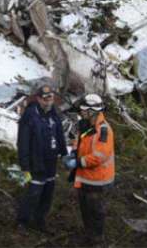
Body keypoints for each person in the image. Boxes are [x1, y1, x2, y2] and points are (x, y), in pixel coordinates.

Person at [64, 94, 115, 245]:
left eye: (84, 110)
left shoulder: (103, 131)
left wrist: (77, 162)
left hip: (98, 182)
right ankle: (89, 236)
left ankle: (97, 240)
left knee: (96, 213)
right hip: (85, 179)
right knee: (85, 211)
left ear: (93, 111)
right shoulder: (85, 125)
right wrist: (73, 153)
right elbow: (78, 141)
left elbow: (99, 156)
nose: (81, 112)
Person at [16, 84, 67, 234]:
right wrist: (24, 165)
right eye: (45, 99)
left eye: (50, 98)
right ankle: (23, 222)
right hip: (36, 162)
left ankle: (40, 220)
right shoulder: (30, 115)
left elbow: (59, 133)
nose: (48, 102)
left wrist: (64, 152)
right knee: (33, 192)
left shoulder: (53, 113)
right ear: (38, 99)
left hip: (51, 162)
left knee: (48, 193)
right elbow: (23, 142)